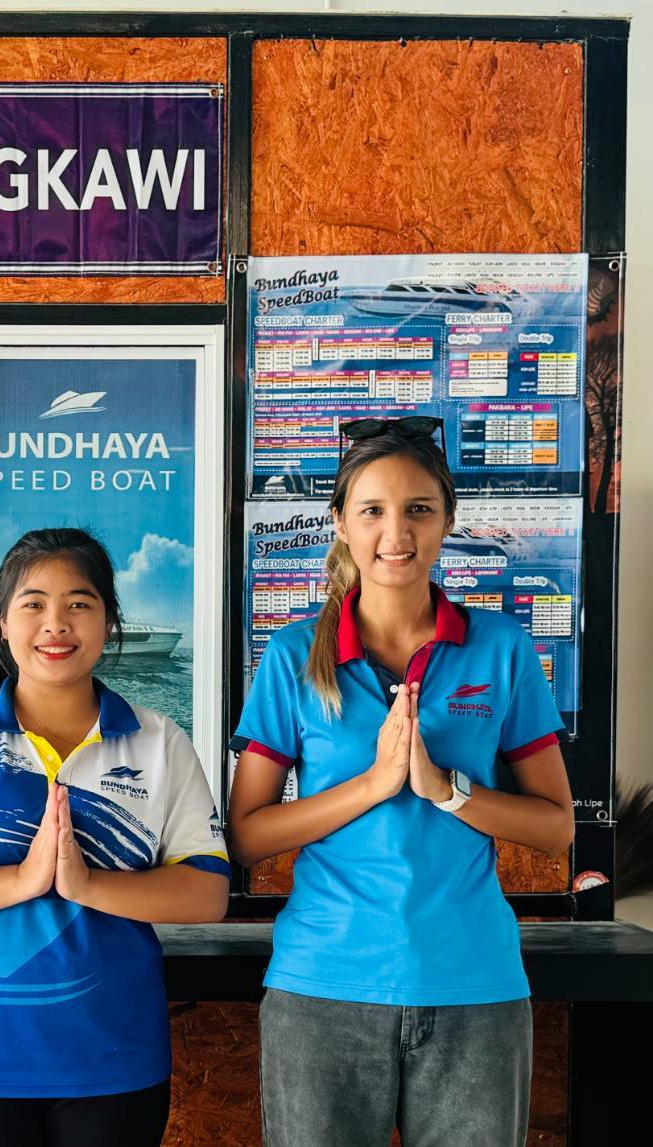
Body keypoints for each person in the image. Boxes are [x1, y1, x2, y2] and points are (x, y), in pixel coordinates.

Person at [228, 417, 575, 1147]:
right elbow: (249, 833)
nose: (397, 532)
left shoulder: (503, 648)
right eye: (374, 510)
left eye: (419, 508)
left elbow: (555, 825)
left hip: (475, 986)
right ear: (341, 524)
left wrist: (446, 787)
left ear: (447, 519)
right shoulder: (293, 655)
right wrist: (376, 782)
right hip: (322, 987)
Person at [0, 527, 229, 1147]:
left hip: (113, 1052)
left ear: (108, 621)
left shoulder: (158, 740)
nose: (56, 623)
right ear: (2, 623)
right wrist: (23, 880)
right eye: (33, 604)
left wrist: (87, 884)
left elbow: (205, 893)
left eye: (79, 603)